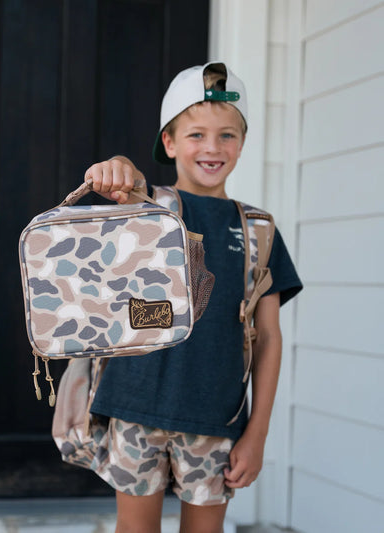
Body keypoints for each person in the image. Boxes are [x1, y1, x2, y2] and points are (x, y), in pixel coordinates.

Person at [83, 61, 302, 533]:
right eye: (196, 134)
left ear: (243, 142)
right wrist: (116, 166)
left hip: (216, 417)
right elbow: (124, 182)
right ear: (169, 142)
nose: (212, 147)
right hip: (134, 409)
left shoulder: (259, 230)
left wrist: (258, 431)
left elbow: (268, 337)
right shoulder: (147, 207)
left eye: (227, 135)